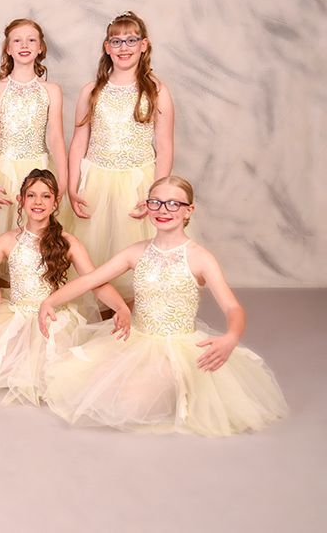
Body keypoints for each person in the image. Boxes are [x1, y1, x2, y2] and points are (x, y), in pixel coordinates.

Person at [40, 176, 288, 436]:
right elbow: (91, 279)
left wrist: (232, 336)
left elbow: (232, 308)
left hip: (176, 347)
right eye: (156, 202)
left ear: (188, 210)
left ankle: (178, 386)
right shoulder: (136, 252)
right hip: (137, 340)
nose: (163, 210)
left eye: (173, 204)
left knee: (129, 405)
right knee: (92, 386)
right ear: (148, 206)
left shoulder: (200, 258)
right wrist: (50, 301)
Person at [0, 169, 128, 403]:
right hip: (16, 314)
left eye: (46, 196)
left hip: (52, 319)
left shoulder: (68, 242)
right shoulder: (8, 240)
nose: (38, 202)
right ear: (21, 200)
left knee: (54, 374)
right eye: (31, 195)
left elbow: (96, 282)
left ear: (55, 203)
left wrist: (121, 307)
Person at [67, 11, 174, 298]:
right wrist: (71, 187)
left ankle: (131, 310)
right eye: (116, 41)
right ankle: (105, 307)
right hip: (97, 181)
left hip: (139, 182)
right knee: (95, 254)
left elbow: (164, 146)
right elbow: (79, 141)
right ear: (107, 47)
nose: (123, 47)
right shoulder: (92, 91)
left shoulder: (157, 91)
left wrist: (157, 194)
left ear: (144, 45)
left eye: (131, 40)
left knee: (137, 257)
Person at [0, 19, 68, 251]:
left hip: (40, 167)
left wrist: (62, 179)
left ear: (40, 47)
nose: (24, 45)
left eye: (31, 40)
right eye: (17, 40)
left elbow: (56, 137)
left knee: (38, 237)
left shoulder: (51, 90)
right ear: (8, 48)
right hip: (2, 169)